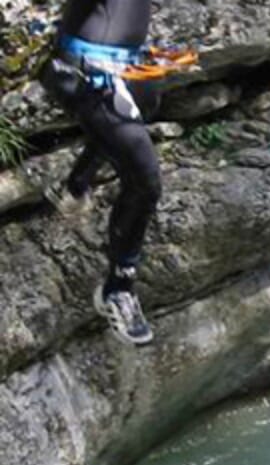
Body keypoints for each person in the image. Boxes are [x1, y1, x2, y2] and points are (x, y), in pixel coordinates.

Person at [40, 0, 160, 346]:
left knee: (141, 114)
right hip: (88, 75)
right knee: (146, 183)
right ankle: (118, 289)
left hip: (128, 70)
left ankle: (75, 186)